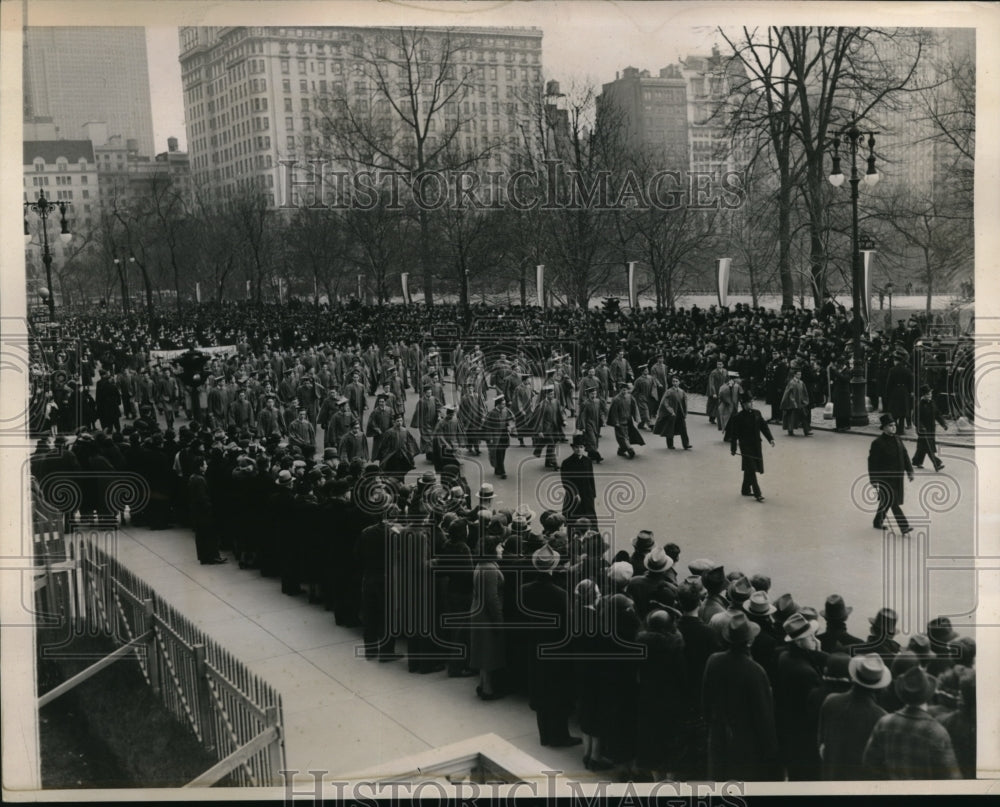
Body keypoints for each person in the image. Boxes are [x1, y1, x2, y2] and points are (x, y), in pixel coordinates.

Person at [702, 612, 781, 781]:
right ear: (750, 641)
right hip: (746, 743)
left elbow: (706, 701)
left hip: (718, 736)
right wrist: (771, 751)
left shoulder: (713, 661)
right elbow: (764, 716)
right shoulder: (755, 671)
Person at [863, 665, 961, 779]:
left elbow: (869, 764)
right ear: (927, 695)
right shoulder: (936, 732)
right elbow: (951, 778)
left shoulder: (884, 723)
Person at [868, 414, 914, 534]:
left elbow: (905, 455)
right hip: (885, 478)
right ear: (883, 427)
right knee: (892, 501)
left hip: (897, 477)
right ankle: (904, 526)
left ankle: (877, 521)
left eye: (894, 425)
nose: (893, 428)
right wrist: (874, 480)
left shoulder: (898, 439)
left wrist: (910, 471)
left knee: (887, 501)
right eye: (890, 426)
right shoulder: (877, 443)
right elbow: (872, 463)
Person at [727, 393, 774, 502]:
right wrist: (733, 448)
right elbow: (734, 435)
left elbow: (764, 427)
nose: (751, 404)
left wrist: (770, 438)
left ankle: (745, 489)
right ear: (743, 404)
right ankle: (758, 493)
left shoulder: (757, 413)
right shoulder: (738, 417)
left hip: (757, 445)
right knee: (752, 468)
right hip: (745, 446)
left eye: (752, 401)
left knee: (749, 467)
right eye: (749, 402)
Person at [189, 457, 224, 564]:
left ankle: (204, 556)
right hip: (204, 512)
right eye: (204, 464)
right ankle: (213, 556)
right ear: (200, 467)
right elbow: (202, 497)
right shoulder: (200, 480)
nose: (206, 466)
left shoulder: (193, 477)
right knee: (210, 534)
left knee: (201, 535)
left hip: (197, 512)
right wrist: (210, 507)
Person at [560, 434, 597, 525]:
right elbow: (565, 481)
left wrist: (593, 493)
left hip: (587, 494)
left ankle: (592, 537)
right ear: (573, 448)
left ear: (584, 448)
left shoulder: (588, 461)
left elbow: (591, 478)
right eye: (576, 447)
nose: (579, 449)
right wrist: (575, 494)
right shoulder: (567, 462)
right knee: (573, 517)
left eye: (581, 447)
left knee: (590, 517)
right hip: (574, 495)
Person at [912, 384, 947, 471]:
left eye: (930, 394)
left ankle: (917, 461)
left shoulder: (932, 403)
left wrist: (943, 424)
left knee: (922, 447)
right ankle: (937, 464)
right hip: (923, 430)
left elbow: (937, 414)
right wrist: (921, 427)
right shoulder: (919, 405)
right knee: (929, 447)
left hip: (931, 429)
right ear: (923, 395)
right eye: (928, 394)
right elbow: (915, 418)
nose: (930, 396)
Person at [605, 382, 644, 459]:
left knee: (626, 436)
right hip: (620, 422)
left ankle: (621, 450)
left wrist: (637, 418)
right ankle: (630, 450)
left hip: (628, 421)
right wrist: (616, 422)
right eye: (623, 390)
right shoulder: (616, 399)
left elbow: (634, 407)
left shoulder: (630, 397)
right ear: (620, 390)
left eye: (626, 390)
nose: (624, 392)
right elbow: (613, 412)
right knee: (623, 437)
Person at [654, 376, 692, 450]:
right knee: (670, 429)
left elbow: (685, 403)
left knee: (683, 429)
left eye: (676, 381)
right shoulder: (669, 391)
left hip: (680, 414)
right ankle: (670, 445)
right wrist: (670, 411)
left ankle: (686, 444)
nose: (675, 383)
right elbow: (665, 402)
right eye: (673, 381)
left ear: (679, 382)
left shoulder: (682, 391)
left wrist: (685, 412)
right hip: (672, 414)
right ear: (672, 382)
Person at [483, 395, 515, 479]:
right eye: (503, 404)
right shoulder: (492, 413)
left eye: (504, 404)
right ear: (497, 404)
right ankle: (503, 472)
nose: (504, 405)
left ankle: (497, 469)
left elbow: (511, 419)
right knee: (499, 453)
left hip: (504, 435)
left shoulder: (505, 411)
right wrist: (489, 438)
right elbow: (487, 427)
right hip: (495, 437)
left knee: (502, 453)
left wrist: (509, 426)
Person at [780, 368, 812, 436]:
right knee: (791, 417)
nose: (800, 375)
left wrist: (804, 401)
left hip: (800, 403)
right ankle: (790, 430)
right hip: (793, 403)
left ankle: (806, 431)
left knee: (804, 416)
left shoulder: (801, 382)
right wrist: (793, 402)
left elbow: (804, 392)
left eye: (800, 374)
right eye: (798, 374)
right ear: (795, 375)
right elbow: (788, 393)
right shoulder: (791, 383)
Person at [717, 372, 742, 436]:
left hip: (730, 406)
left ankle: (727, 436)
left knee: (729, 421)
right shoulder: (731, 386)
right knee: (730, 421)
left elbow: (720, 395)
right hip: (731, 406)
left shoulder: (725, 385)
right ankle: (729, 436)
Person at [705, 359, 728, 425]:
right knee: (713, 404)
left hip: (722, 390)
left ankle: (719, 418)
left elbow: (727, 380)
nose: (719, 366)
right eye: (718, 364)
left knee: (721, 404)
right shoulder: (713, 372)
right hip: (715, 389)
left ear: (723, 365)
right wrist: (714, 393)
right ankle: (712, 418)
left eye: (720, 364)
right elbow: (711, 383)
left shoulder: (725, 371)